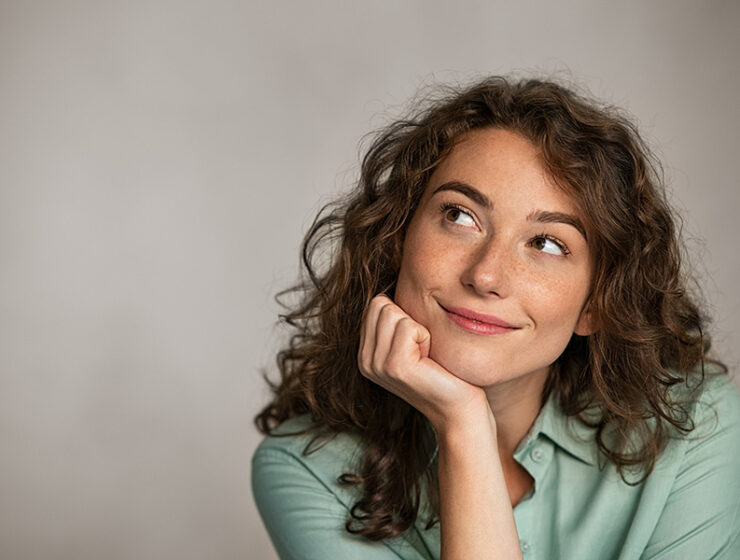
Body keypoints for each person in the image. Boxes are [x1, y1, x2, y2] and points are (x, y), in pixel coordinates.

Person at [251, 76, 740, 559]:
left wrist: (461, 423)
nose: (486, 276)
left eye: (547, 243)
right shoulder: (303, 467)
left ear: (595, 304)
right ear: (396, 239)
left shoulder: (699, 429)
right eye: (460, 216)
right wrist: (463, 424)